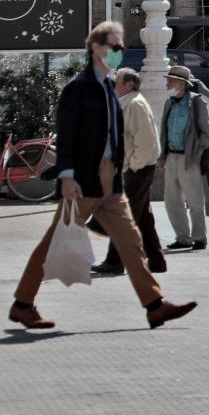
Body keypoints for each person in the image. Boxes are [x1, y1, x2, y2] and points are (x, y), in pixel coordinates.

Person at [9, 20, 196, 331]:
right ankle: (23, 304)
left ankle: (155, 305)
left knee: (131, 242)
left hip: (111, 181)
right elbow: (67, 135)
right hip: (85, 181)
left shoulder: (110, 87)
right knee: (54, 242)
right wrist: (67, 176)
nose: (119, 51)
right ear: (96, 48)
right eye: (115, 46)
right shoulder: (78, 88)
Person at [92, 67, 165, 277]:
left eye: (117, 81)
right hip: (132, 168)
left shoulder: (135, 104)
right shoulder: (126, 103)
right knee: (143, 217)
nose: (113, 85)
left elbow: (146, 141)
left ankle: (115, 261)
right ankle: (157, 260)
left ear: (129, 85)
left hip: (138, 169)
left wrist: (134, 165)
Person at [159, 65, 209, 252]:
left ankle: (199, 237)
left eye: (170, 80)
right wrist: (162, 155)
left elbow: (207, 132)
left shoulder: (196, 103)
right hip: (171, 156)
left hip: (189, 157)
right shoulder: (169, 103)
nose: (167, 83)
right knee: (171, 202)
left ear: (182, 83)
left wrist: (199, 153)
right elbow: (164, 131)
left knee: (195, 200)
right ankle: (183, 237)